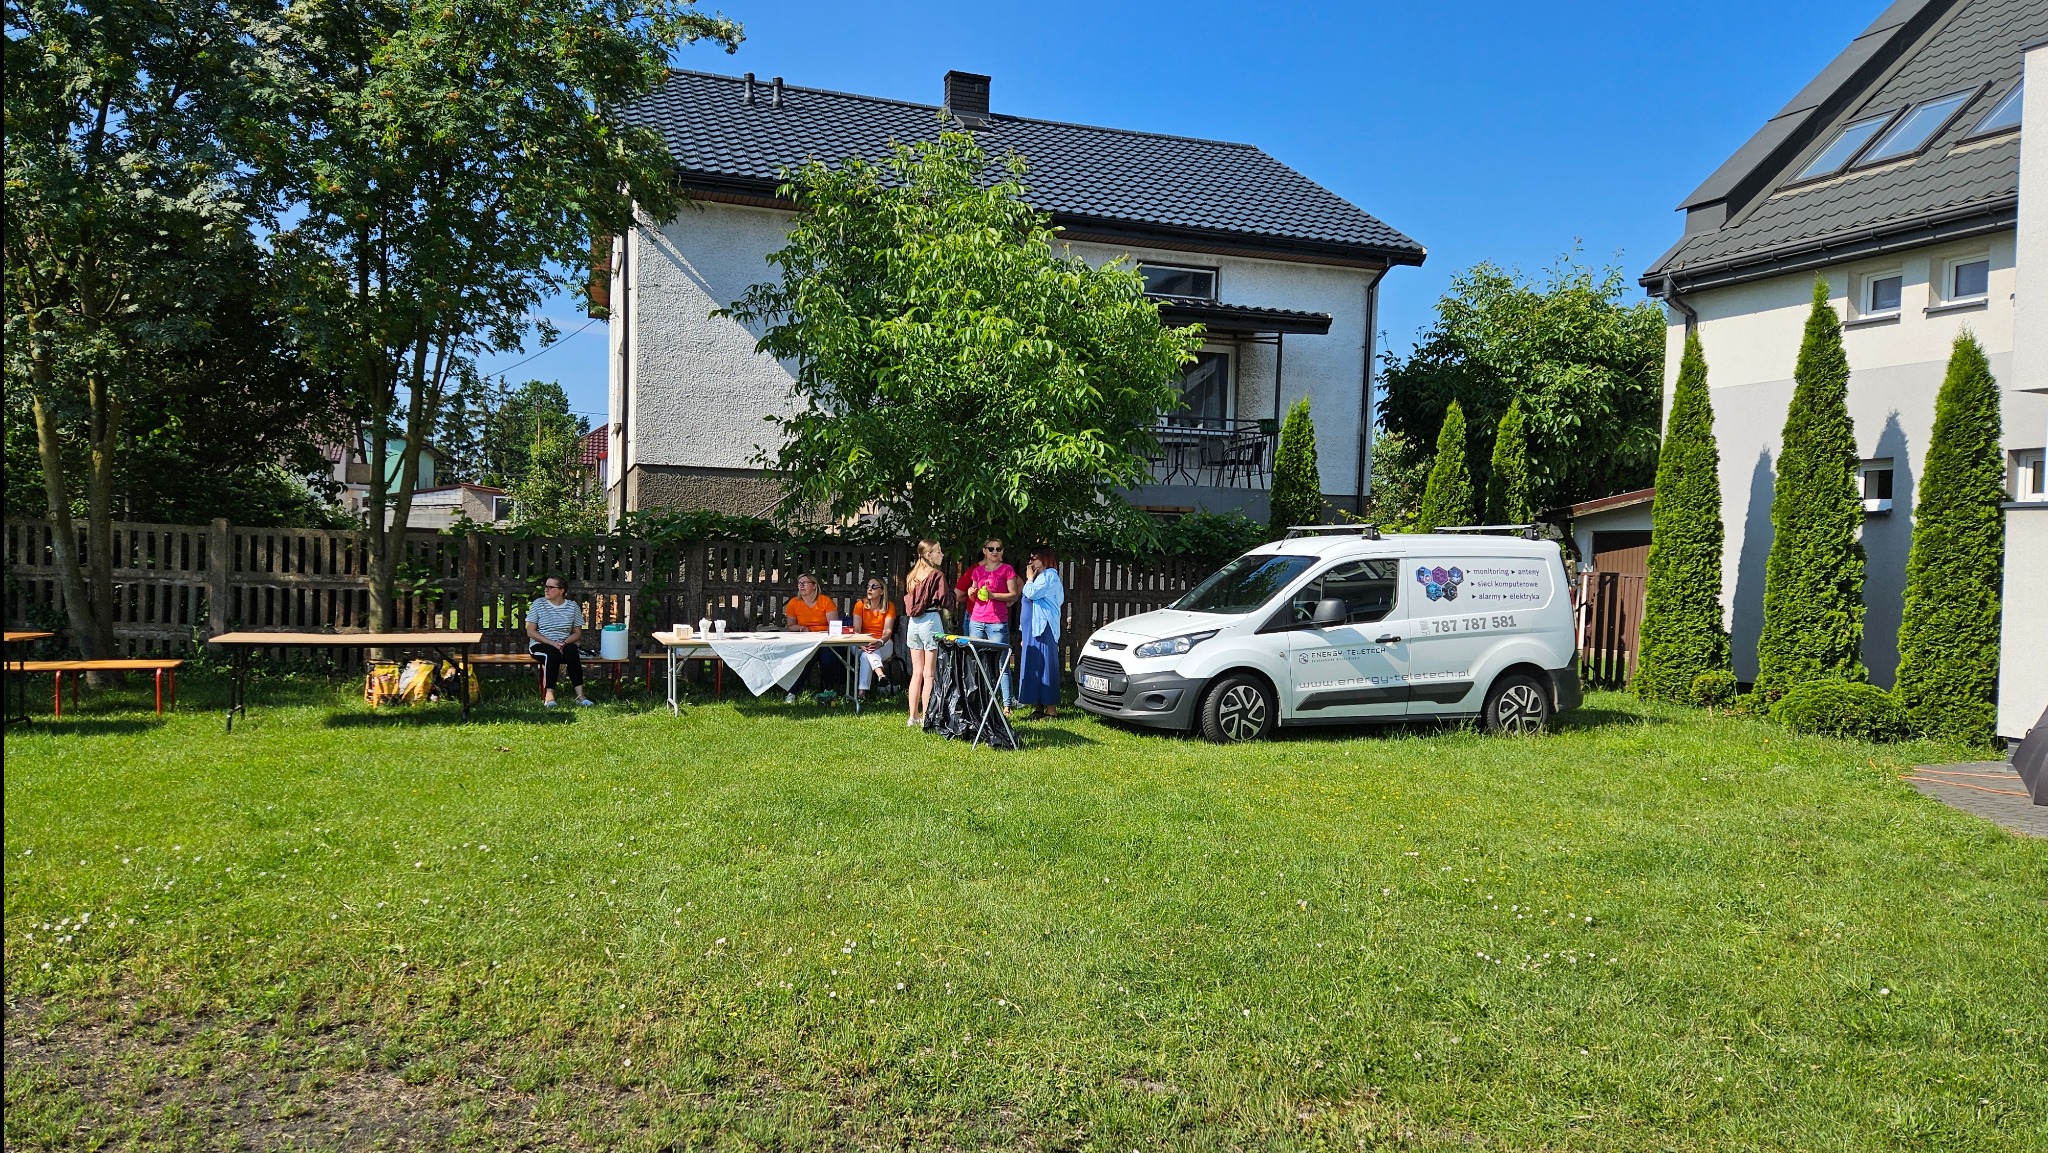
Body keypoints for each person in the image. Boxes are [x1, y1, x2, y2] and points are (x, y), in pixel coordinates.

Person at [961, 538, 1021, 707]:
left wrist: (994, 596)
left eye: (998, 549)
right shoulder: (978, 571)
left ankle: (1007, 704)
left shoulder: (1007, 570)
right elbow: (973, 596)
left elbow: (1013, 594)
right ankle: (978, 702)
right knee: (977, 661)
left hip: (997, 622)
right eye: (991, 548)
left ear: (1002, 552)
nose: (995, 551)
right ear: (984, 551)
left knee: (1002, 663)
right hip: (977, 620)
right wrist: (971, 592)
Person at [525, 576, 593, 707]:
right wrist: (552, 643)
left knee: (572, 650)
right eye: (546, 586)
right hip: (541, 644)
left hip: (563, 643)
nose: (546, 590)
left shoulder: (572, 607)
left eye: (551, 587)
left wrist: (565, 643)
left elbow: (577, 633)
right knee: (552, 653)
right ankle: (549, 696)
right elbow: (530, 631)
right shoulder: (538, 604)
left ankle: (580, 696)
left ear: (561, 590)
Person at [902, 539, 948, 727]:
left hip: (913, 624)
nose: (942, 554)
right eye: (938, 551)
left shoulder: (912, 576)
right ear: (928, 555)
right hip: (930, 620)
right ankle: (927, 716)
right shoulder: (936, 575)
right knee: (929, 673)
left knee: (916, 672)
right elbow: (944, 599)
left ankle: (912, 716)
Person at [1016, 546, 1065, 718]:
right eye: (1030, 558)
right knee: (1033, 665)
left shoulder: (1049, 576)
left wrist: (1029, 579)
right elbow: (1026, 607)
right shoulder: (1039, 577)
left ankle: (1051, 711)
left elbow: (1031, 594)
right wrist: (1023, 631)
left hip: (1043, 628)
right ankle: (1038, 708)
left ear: (1044, 559)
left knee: (1045, 665)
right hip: (1031, 629)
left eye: (1034, 558)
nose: (1030, 562)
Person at [782, 572, 842, 703]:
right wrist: (800, 628)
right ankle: (792, 693)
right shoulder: (793, 603)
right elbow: (791, 626)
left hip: (825, 640)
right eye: (799, 583)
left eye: (805, 583)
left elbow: (834, 626)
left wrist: (821, 632)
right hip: (806, 640)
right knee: (804, 661)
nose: (801, 586)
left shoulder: (825, 601)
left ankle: (829, 690)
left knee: (827, 660)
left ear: (814, 586)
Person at [850, 576, 898, 701]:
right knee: (868, 652)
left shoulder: (889, 606)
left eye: (874, 587)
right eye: (868, 586)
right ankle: (881, 675)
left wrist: (880, 642)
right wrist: (862, 644)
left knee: (867, 655)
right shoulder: (860, 605)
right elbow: (856, 630)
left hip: (883, 643)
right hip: (859, 642)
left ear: (882, 591)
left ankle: (861, 694)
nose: (869, 589)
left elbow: (887, 631)